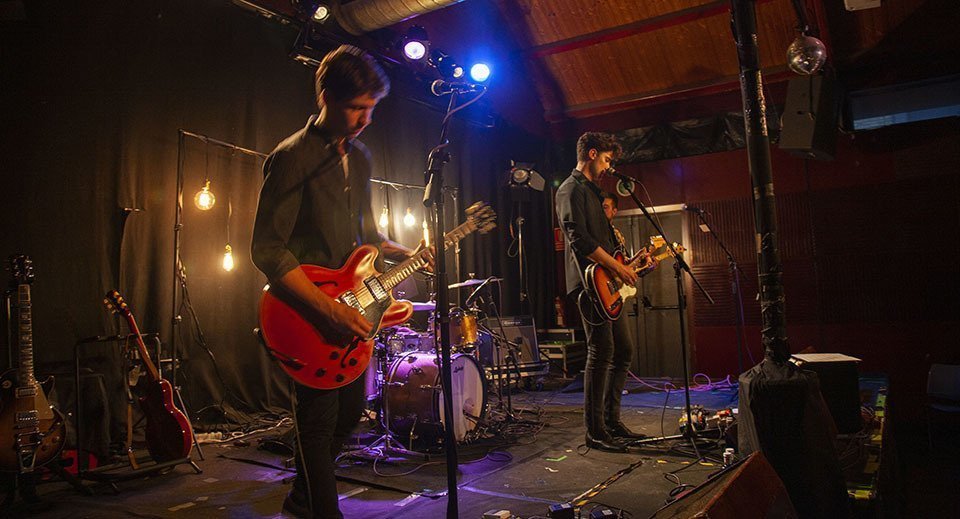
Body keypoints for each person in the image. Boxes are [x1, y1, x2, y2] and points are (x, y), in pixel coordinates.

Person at [251, 45, 428, 519]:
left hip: (354, 309)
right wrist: (329, 309)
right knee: (317, 423)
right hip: (310, 313)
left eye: (372, 108)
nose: (366, 119)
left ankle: (301, 498)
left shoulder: (362, 157)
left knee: (349, 417)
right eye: (356, 108)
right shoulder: (291, 157)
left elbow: (366, 238)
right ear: (326, 96)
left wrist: (403, 253)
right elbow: (267, 249)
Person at [555, 132, 653, 453]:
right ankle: (594, 431)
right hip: (588, 285)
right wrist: (617, 268)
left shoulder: (594, 193)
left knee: (623, 350)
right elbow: (580, 240)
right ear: (592, 154)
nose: (609, 167)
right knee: (601, 351)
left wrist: (633, 265)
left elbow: (608, 248)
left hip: (605, 283)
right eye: (607, 160)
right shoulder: (569, 189)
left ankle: (611, 422)